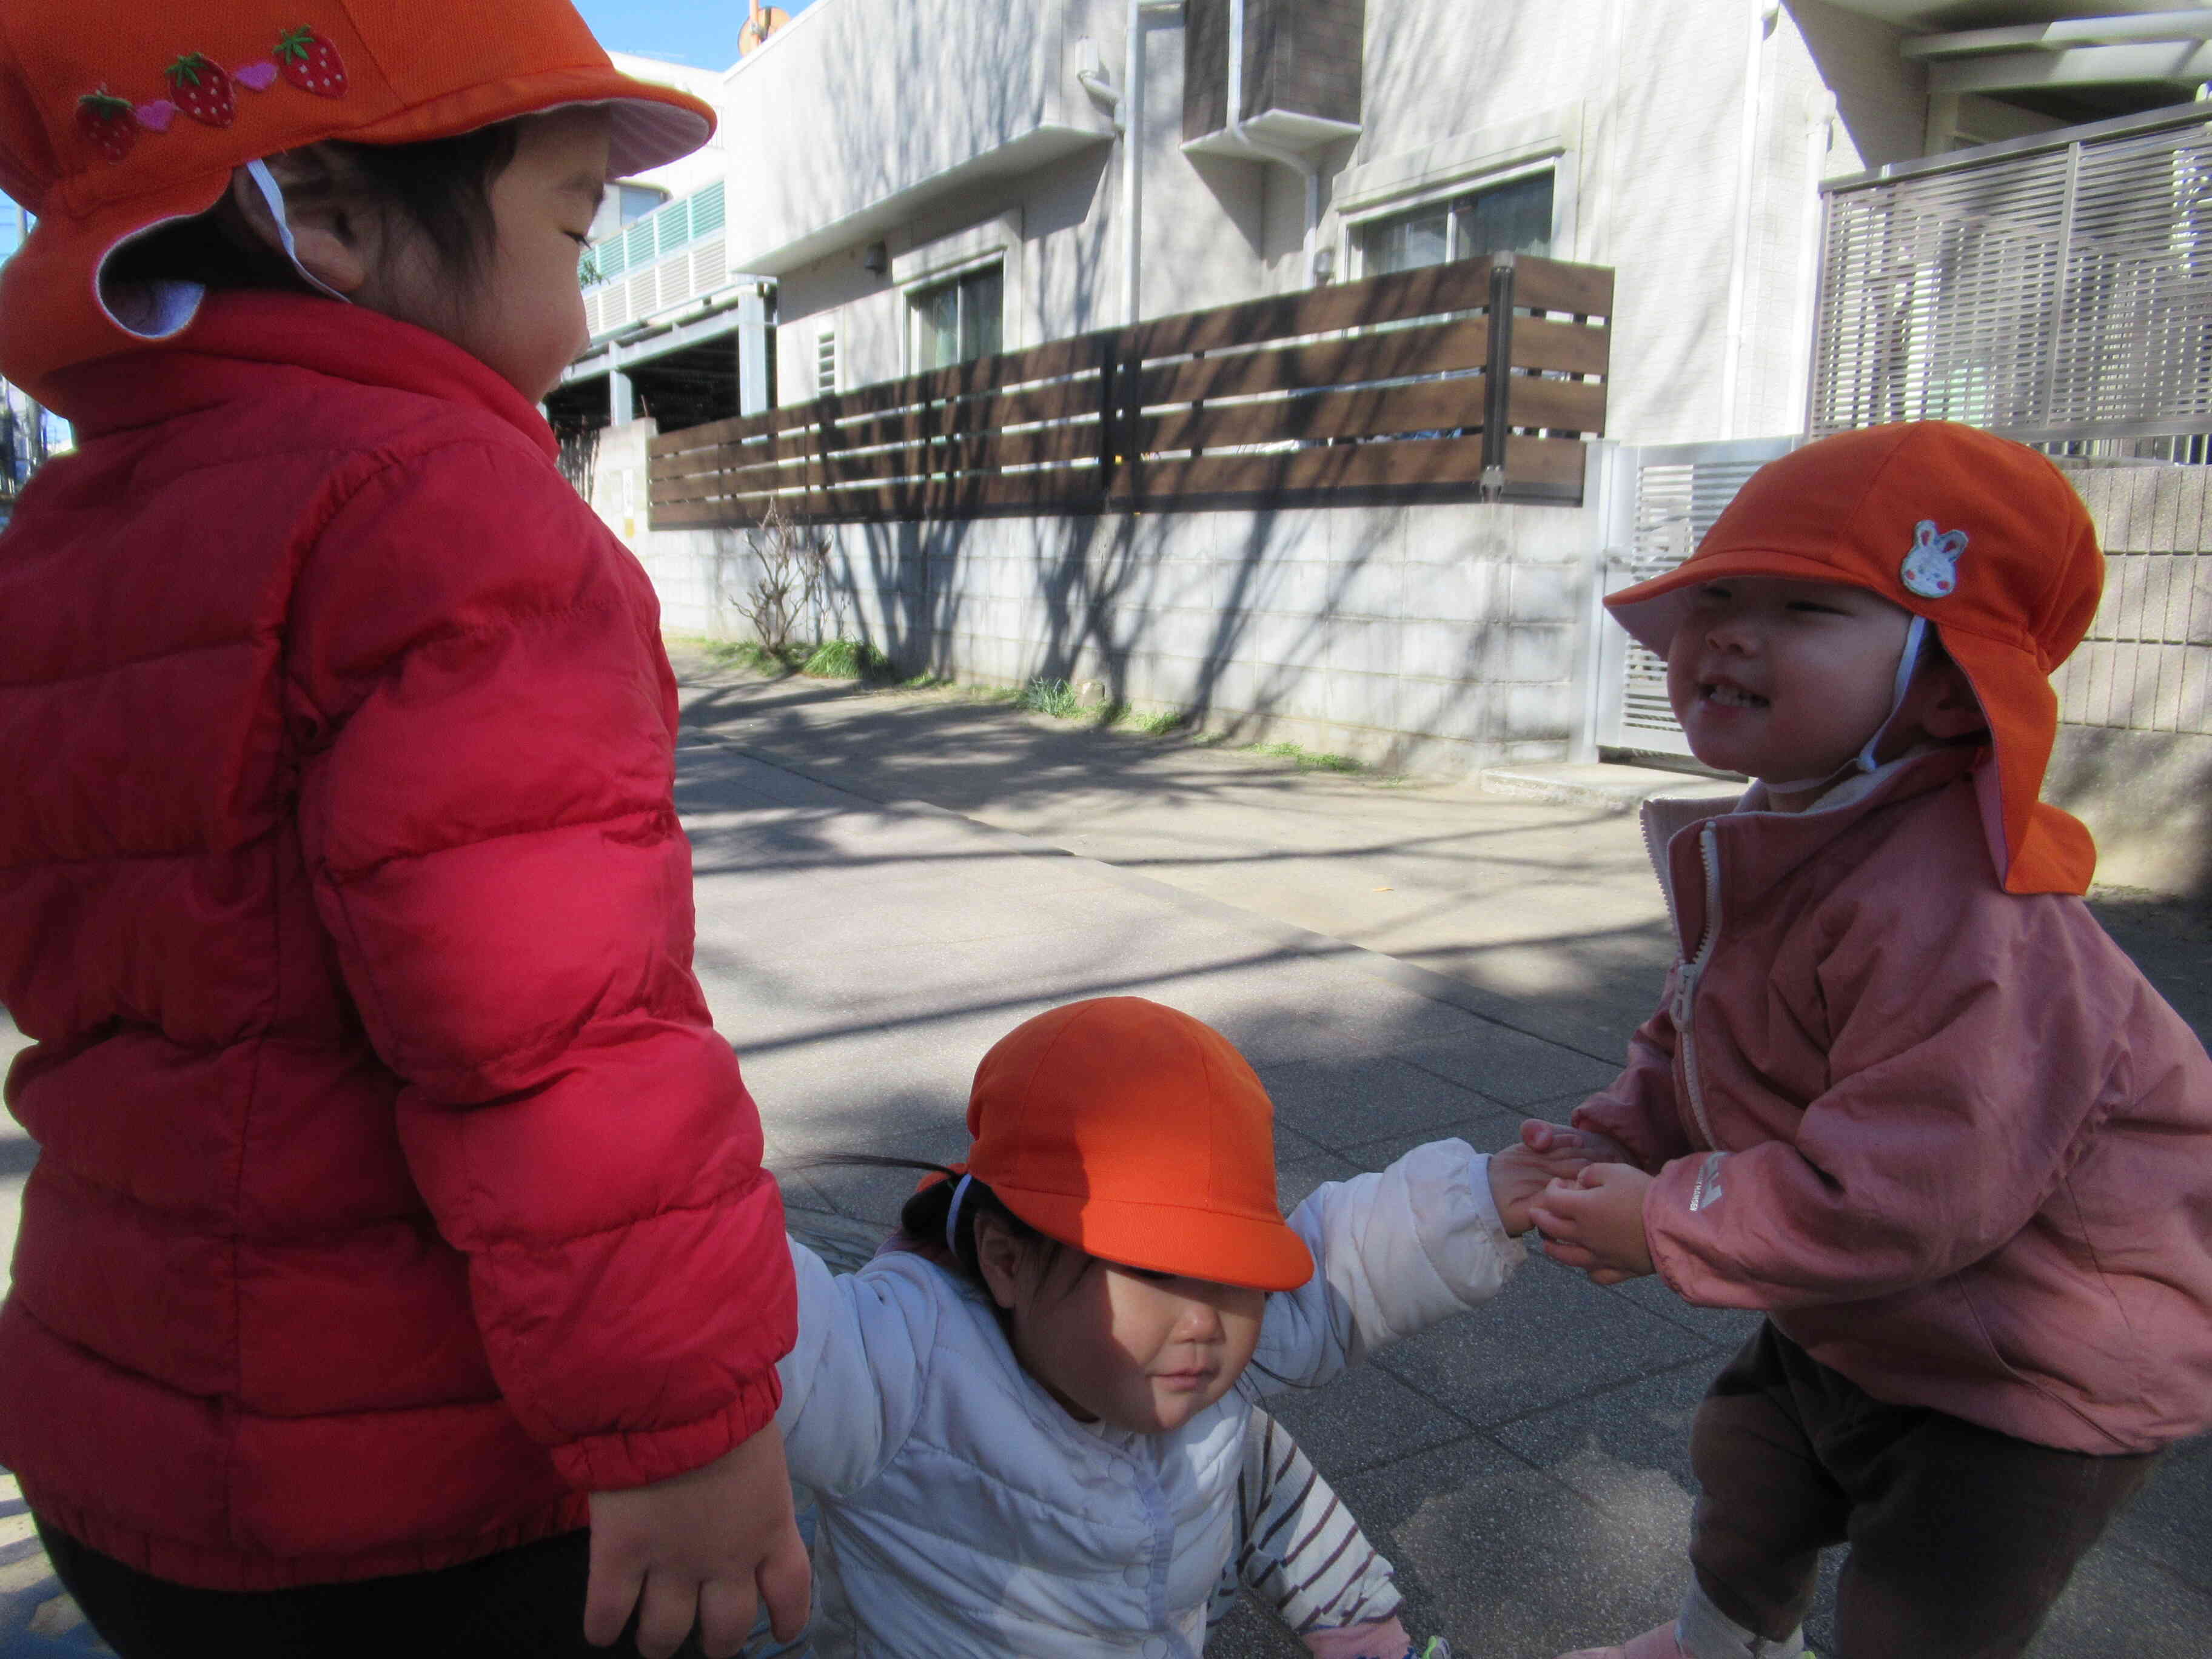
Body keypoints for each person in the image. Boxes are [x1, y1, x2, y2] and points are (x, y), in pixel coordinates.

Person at [0, 6, 807, 1657]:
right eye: (573, 225)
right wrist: (690, 1425)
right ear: (337, 219)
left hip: (112, 1437)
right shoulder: (444, 508)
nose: (586, 304)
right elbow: (553, 1037)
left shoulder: (69, 527)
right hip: (407, 1492)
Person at [1523, 423, 2212, 1659]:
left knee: (1927, 1605)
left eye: (1803, 606)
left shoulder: (1971, 919)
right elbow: (1706, 1029)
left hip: (2041, 1365)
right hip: (1882, 1306)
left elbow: (1915, 1178)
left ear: (1947, 680)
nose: (1728, 633)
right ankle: (1719, 1643)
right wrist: (1609, 1141)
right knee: (1751, 1466)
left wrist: (1669, 1217)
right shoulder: (1789, 829)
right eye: (1715, 597)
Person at [775, 994, 1587, 1657]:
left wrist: (1483, 1198)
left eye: (1237, 1273)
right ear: (1007, 1260)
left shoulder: (1206, 1353)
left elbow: (1345, 1262)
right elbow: (767, 1329)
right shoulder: (898, 1369)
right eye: (1154, 1272)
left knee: (1258, 1454)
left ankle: (1364, 1631)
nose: (1204, 1319)